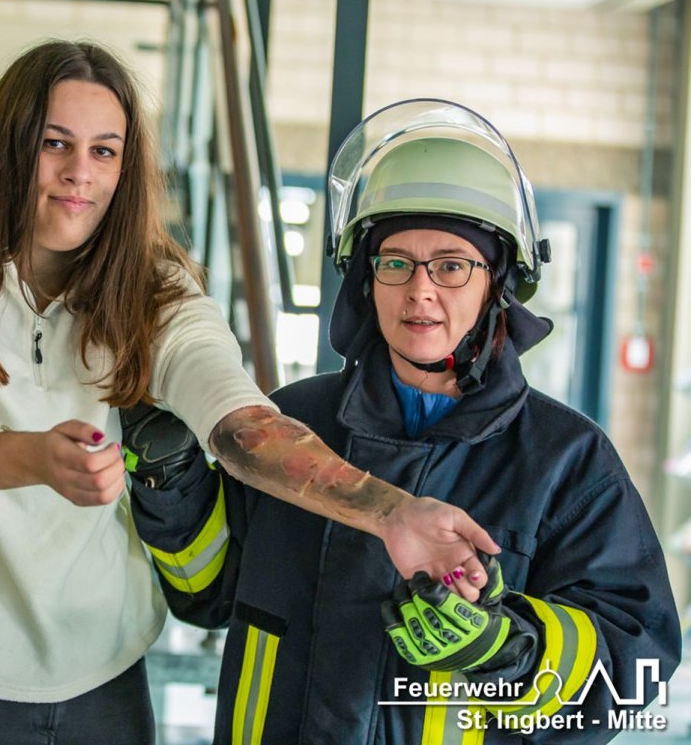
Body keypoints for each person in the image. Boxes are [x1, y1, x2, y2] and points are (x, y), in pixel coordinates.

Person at [0, 45, 500, 744]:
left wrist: (391, 513)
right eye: (54, 144)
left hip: (102, 669)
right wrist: (32, 458)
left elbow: (242, 425)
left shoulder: (152, 287)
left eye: (105, 151)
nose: (79, 173)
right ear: (8, 147)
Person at [126, 99, 683, 743]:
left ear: (494, 282)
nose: (420, 290)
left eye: (451, 265)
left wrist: (506, 652)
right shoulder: (294, 422)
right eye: (395, 262)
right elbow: (205, 592)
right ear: (367, 279)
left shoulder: (566, 461)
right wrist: (173, 483)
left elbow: (635, 666)